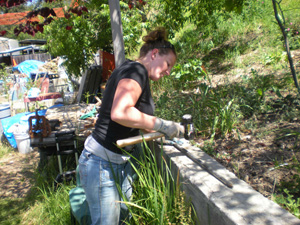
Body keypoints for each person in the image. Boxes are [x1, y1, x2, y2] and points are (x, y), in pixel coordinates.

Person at [78, 27, 184, 225]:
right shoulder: (136, 71)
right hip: (102, 164)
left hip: (117, 163)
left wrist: (168, 131)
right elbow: (121, 112)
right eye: (168, 64)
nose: (169, 72)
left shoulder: (133, 72)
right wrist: (163, 124)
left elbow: (140, 123)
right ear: (154, 54)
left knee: (124, 220)